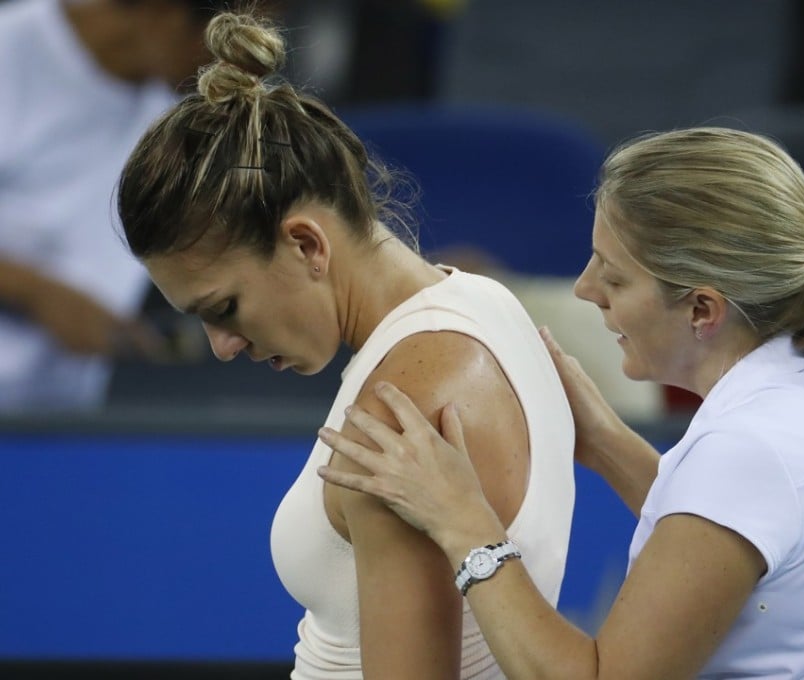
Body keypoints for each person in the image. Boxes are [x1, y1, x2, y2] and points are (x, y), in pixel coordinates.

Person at [317, 127, 804, 678]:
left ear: (702, 309)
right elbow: (731, 542)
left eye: (614, 275)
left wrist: (463, 522)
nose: (585, 288)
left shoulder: (749, 452)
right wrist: (604, 440)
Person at [115, 10, 575, 679]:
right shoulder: (486, 300)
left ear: (307, 244)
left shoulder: (399, 417)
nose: (222, 347)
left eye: (224, 308)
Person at [0, 0, 247, 413]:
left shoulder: (178, 108)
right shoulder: (11, 49)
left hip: (58, 420)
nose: (243, 65)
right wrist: (38, 294)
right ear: (164, 12)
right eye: (229, 37)